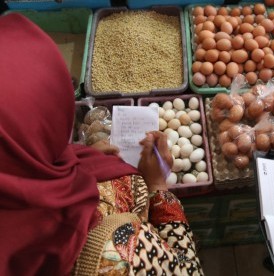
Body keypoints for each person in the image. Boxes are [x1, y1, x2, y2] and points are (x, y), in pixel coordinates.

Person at [0, 13, 203, 276]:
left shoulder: (21, 174)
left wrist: (79, 157)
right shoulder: (116, 253)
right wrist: (157, 187)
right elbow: (187, 269)